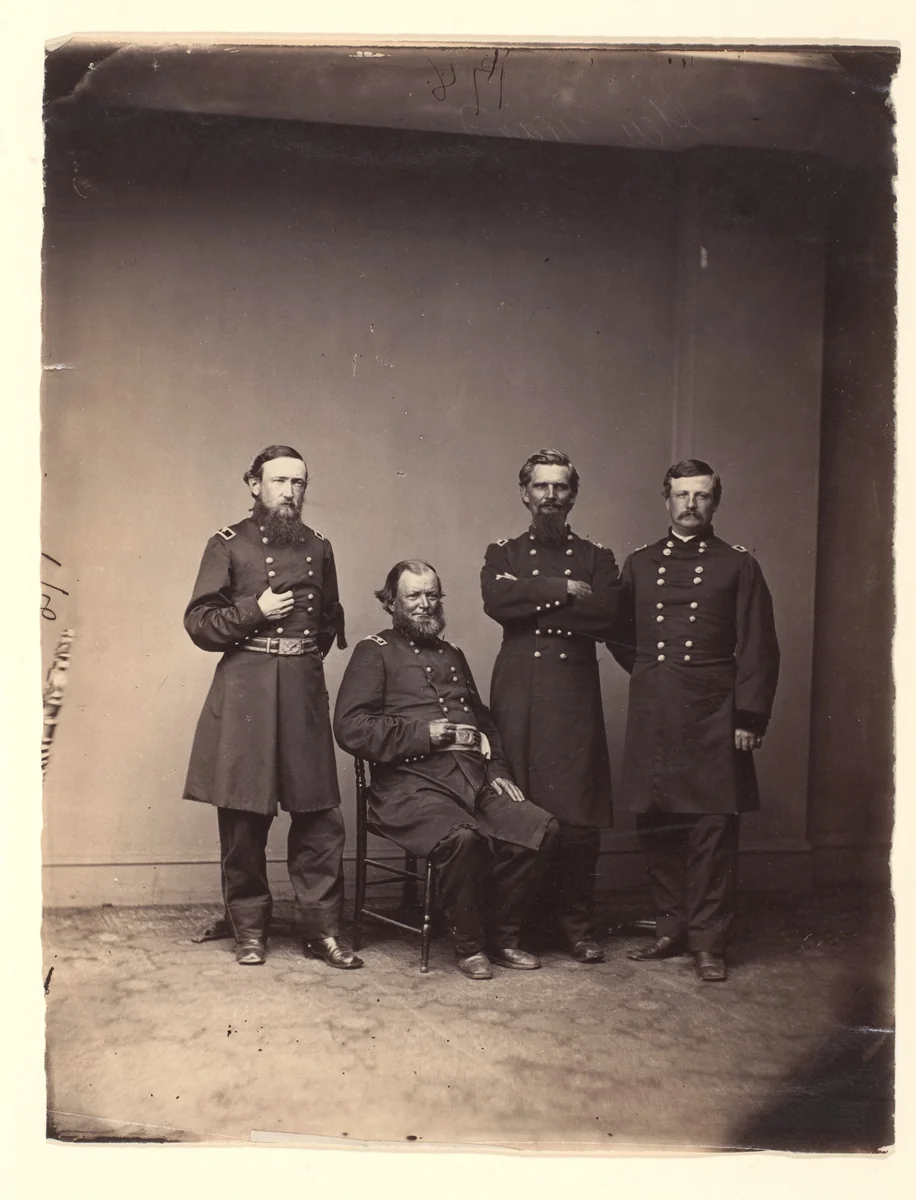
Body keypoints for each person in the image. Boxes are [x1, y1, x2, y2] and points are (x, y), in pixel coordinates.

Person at [333, 561, 559, 980]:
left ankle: (503, 936)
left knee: (541, 828)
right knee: (463, 839)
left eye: (431, 595)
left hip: (471, 780)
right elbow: (350, 726)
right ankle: (470, 945)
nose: (424, 605)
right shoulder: (374, 651)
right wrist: (423, 734)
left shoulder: (452, 653)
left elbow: (483, 721)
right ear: (392, 603)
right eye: (413, 596)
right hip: (408, 789)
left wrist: (497, 769)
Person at [183, 444, 362, 970]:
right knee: (243, 818)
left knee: (320, 819)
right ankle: (251, 931)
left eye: (299, 483)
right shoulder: (228, 545)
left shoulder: (319, 546)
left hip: (302, 690)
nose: (290, 492)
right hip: (248, 692)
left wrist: (296, 660)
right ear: (253, 484)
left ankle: (323, 931)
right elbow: (199, 624)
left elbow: (328, 620)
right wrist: (253, 611)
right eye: (279, 481)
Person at [608, 460, 780, 982]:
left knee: (711, 827)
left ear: (715, 502)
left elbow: (758, 646)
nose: (690, 504)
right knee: (656, 821)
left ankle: (708, 941)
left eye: (701, 496)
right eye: (681, 495)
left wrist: (748, 714)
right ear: (666, 500)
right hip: (655, 706)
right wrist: (655, 674)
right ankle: (670, 926)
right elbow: (620, 636)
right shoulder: (639, 563)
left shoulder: (738, 564)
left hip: (713, 710)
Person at [481, 449, 621, 963]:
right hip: (518, 693)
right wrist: (563, 588)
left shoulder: (598, 556)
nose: (550, 497)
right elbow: (497, 602)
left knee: (578, 815)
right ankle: (512, 926)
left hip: (572, 695)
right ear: (525, 493)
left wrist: (530, 600)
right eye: (541, 487)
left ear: (573, 495)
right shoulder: (503, 552)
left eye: (560, 487)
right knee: (519, 806)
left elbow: (606, 615)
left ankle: (577, 925)